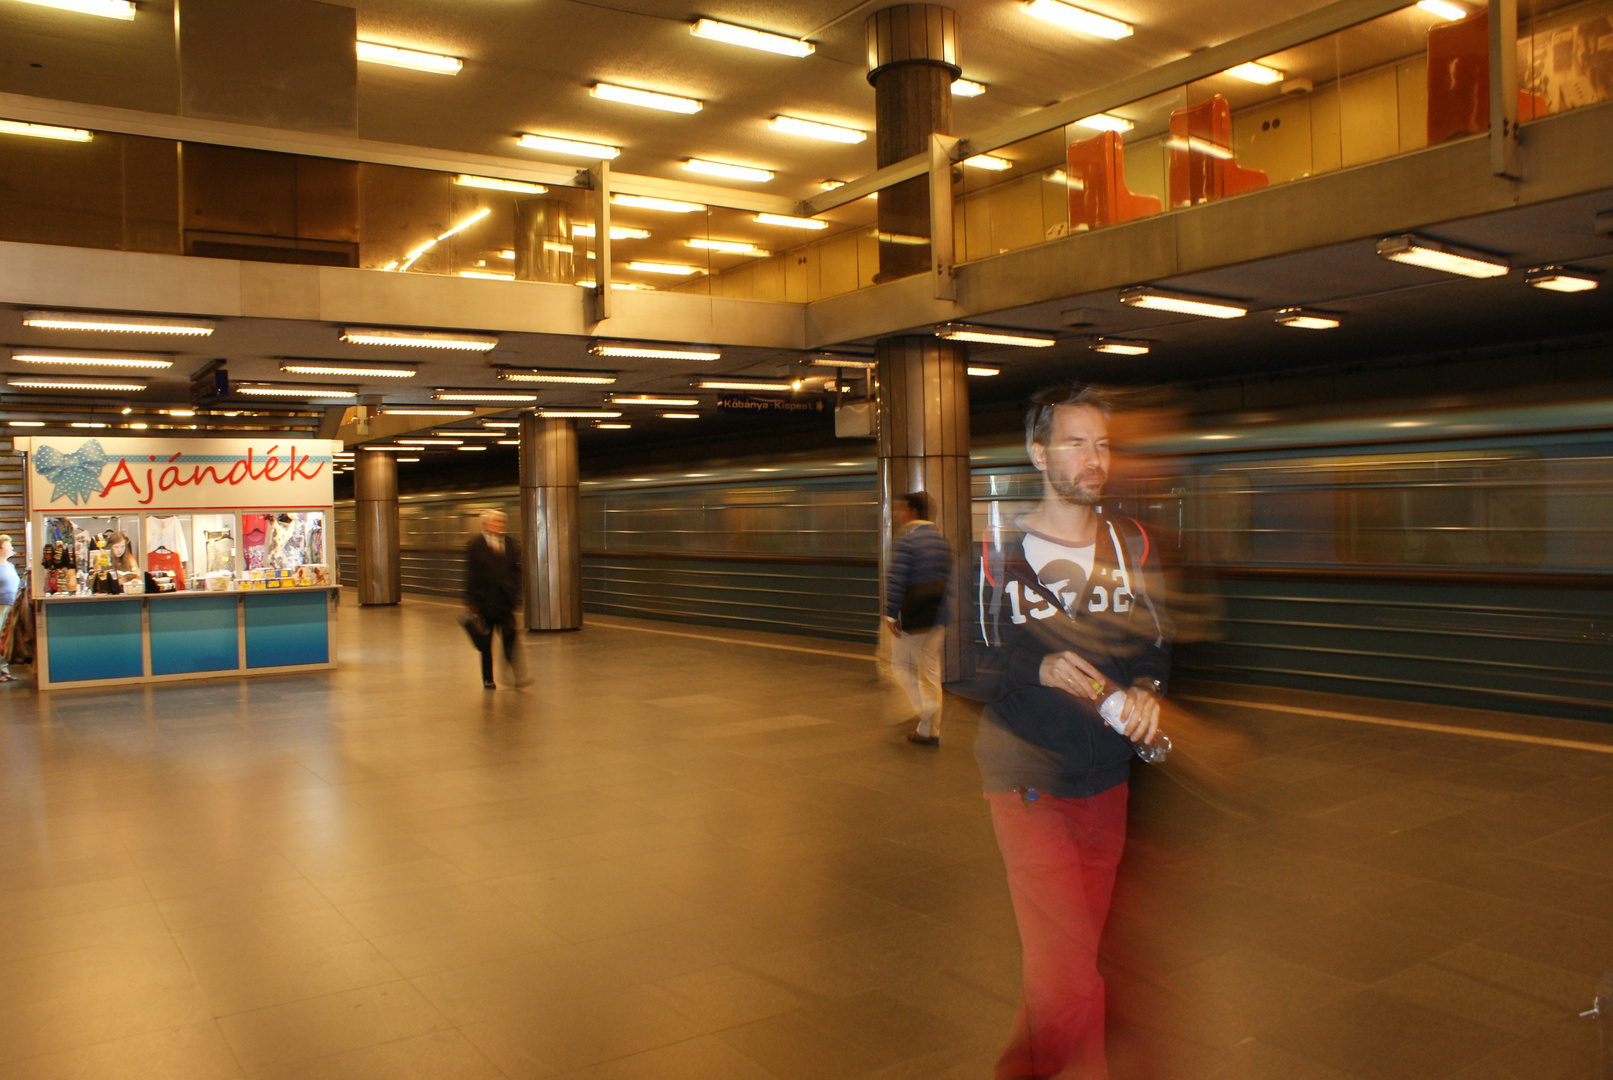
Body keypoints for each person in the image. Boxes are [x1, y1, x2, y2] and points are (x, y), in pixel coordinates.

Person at [973, 384, 1170, 1080]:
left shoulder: (1130, 542)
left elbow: (1150, 642)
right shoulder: (995, 552)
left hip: (1108, 779)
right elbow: (964, 662)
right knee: (1067, 973)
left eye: (1102, 444)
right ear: (1037, 453)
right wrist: (1037, 664)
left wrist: (1147, 688)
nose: (1094, 460)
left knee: (1070, 961)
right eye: (1074, 443)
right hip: (1028, 778)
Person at [884, 491, 953, 746]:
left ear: (912, 512)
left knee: (899, 666)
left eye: (903, 509)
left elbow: (898, 577)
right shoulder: (940, 539)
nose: (901, 514)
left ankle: (925, 709)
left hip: (914, 617)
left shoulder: (908, 539)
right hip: (938, 616)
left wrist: (891, 614)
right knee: (931, 673)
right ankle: (929, 731)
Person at [464, 509, 525, 690]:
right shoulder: (475, 545)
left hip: (505, 602)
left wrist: (515, 592)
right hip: (484, 603)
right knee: (486, 643)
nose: (500, 525)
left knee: (510, 637)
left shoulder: (509, 543)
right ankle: (488, 678)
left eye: (502, 522)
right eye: (496, 522)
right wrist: (471, 602)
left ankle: (514, 673)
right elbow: (470, 575)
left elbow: (514, 570)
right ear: (486, 524)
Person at [0, 535, 18, 682]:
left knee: (5, 639)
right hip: (1, 606)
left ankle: (4, 669)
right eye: (8, 546)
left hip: (11, 606)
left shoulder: (10, 566)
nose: (11, 548)